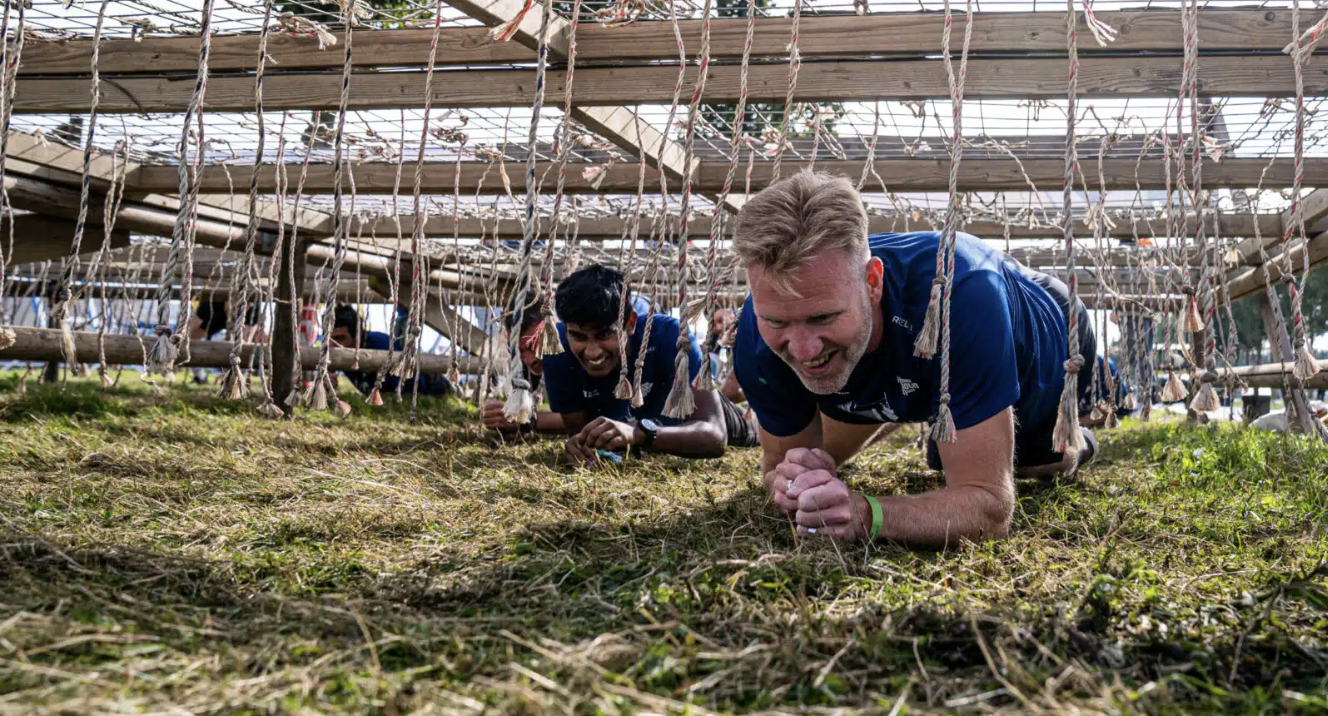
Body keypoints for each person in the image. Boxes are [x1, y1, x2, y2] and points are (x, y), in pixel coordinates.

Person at [731, 170, 1100, 550]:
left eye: (823, 317)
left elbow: (991, 509)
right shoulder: (756, 335)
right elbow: (777, 466)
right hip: (907, 359)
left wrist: (866, 514)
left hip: (1050, 327)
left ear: (872, 283)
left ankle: (1082, 443)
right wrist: (788, 482)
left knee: (1035, 464)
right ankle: (947, 423)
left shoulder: (962, 300)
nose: (803, 349)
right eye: (777, 321)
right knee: (822, 456)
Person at [480, 264, 760, 466]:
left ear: (629, 324)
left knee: (757, 427)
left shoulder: (672, 338)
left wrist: (640, 433)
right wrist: (583, 448)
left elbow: (715, 436)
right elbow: (581, 432)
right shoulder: (558, 351)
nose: (591, 351)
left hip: (728, 425)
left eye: (604, 335)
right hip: (649, 434)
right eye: (578, 336)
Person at [329, 304, 452, 399]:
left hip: (431, 388)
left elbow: (407, 389)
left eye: (340, 338)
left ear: (358, 335)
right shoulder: (340, 350)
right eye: (329, 338)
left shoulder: (380, 346)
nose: (333, 345)